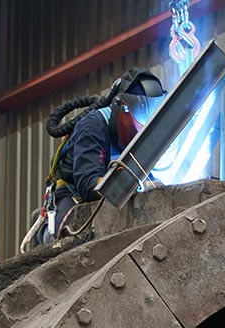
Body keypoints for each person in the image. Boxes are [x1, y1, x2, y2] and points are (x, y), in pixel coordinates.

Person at [41, 68, 167, 239]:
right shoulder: (93, 125)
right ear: (125, 108)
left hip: (115, 194)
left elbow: (144, 175)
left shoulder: (139, 134)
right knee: (61, 241)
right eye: (142, 114)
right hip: (73, 193)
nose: (144, 124)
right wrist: (133, 187)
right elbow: (89, 184)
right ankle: (45, 231)